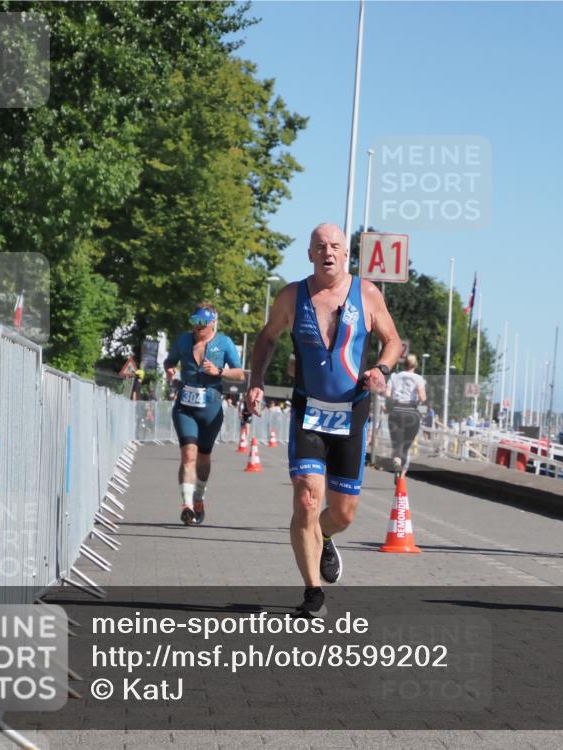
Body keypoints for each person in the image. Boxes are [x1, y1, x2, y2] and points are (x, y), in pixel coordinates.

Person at [247, 223, 402, 617]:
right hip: (308, 410)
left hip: (352, 411)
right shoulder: (291, 296)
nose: (328, 252)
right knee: (305, 499)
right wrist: (257, 382)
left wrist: (381, 370)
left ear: (345, 253)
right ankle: (313, 593)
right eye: (320, 247)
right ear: (310, 254)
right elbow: (266, 338)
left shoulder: (366, 293)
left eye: (335, 246)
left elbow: (393, 341)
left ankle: (326, 536)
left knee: (344, 512)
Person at [164, 303, 245, 526]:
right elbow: (169, 361)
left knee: (203, 458)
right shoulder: (182, 340)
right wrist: (170, 369)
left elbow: (239, 374)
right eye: (194, 321)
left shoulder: (224, 343)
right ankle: (187, 505)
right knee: (188, 455)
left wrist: (219, 371)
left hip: (211, 409)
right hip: (185, 407)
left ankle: (199, 498)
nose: (197, 326)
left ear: (212, 323)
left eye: (201, 322)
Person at [386, 354, 428, 482]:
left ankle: (396, 463)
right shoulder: (419, 378)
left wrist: (389, 406)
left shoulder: (394, 377)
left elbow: (387, 394)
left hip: (396, 412)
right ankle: (401, 476)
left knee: (397, 445)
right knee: (406, 446)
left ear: (404, 364)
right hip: (411, 413)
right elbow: (422, 397)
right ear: (415, 365)